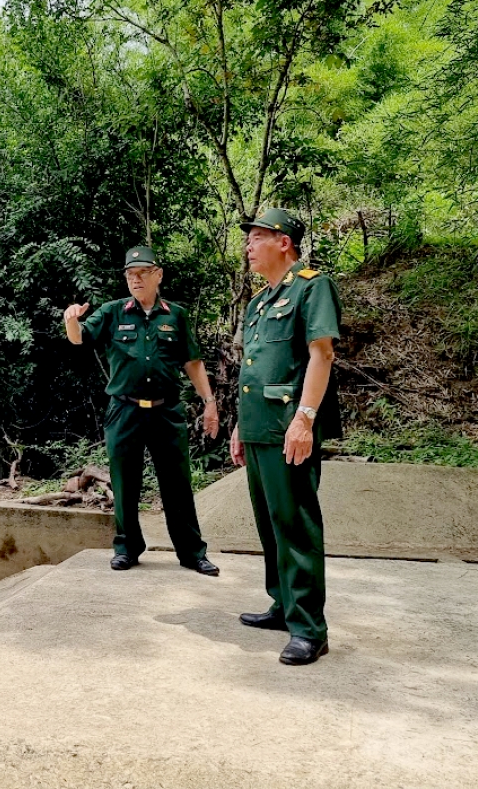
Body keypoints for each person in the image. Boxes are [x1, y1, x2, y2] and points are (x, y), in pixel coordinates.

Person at [64, 245, 220, 575]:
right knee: (125, 481)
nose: (135, 279)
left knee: (177, 483)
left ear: (158, 275)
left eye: (142, 273)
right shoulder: (112, 311)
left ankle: (192, 552)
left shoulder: (175, 315)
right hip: (125, 411)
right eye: (130, 274)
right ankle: (127, 547)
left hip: (166, 411)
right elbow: (79, 339)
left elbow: (193, 362)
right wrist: (72, 320)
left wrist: (209, 403)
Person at [229, 208, 341, 666]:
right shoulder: (258, 302)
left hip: (288, 428)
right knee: (270, 524)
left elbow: (323, 354)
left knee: (295, 525)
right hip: (258, 429)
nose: (249, 246)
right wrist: (239, 424)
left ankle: (310, 629)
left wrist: (305, 418)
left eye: (257, 238)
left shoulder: (313, 286)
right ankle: (283, 605)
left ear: (284, 242)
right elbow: (253, 368)